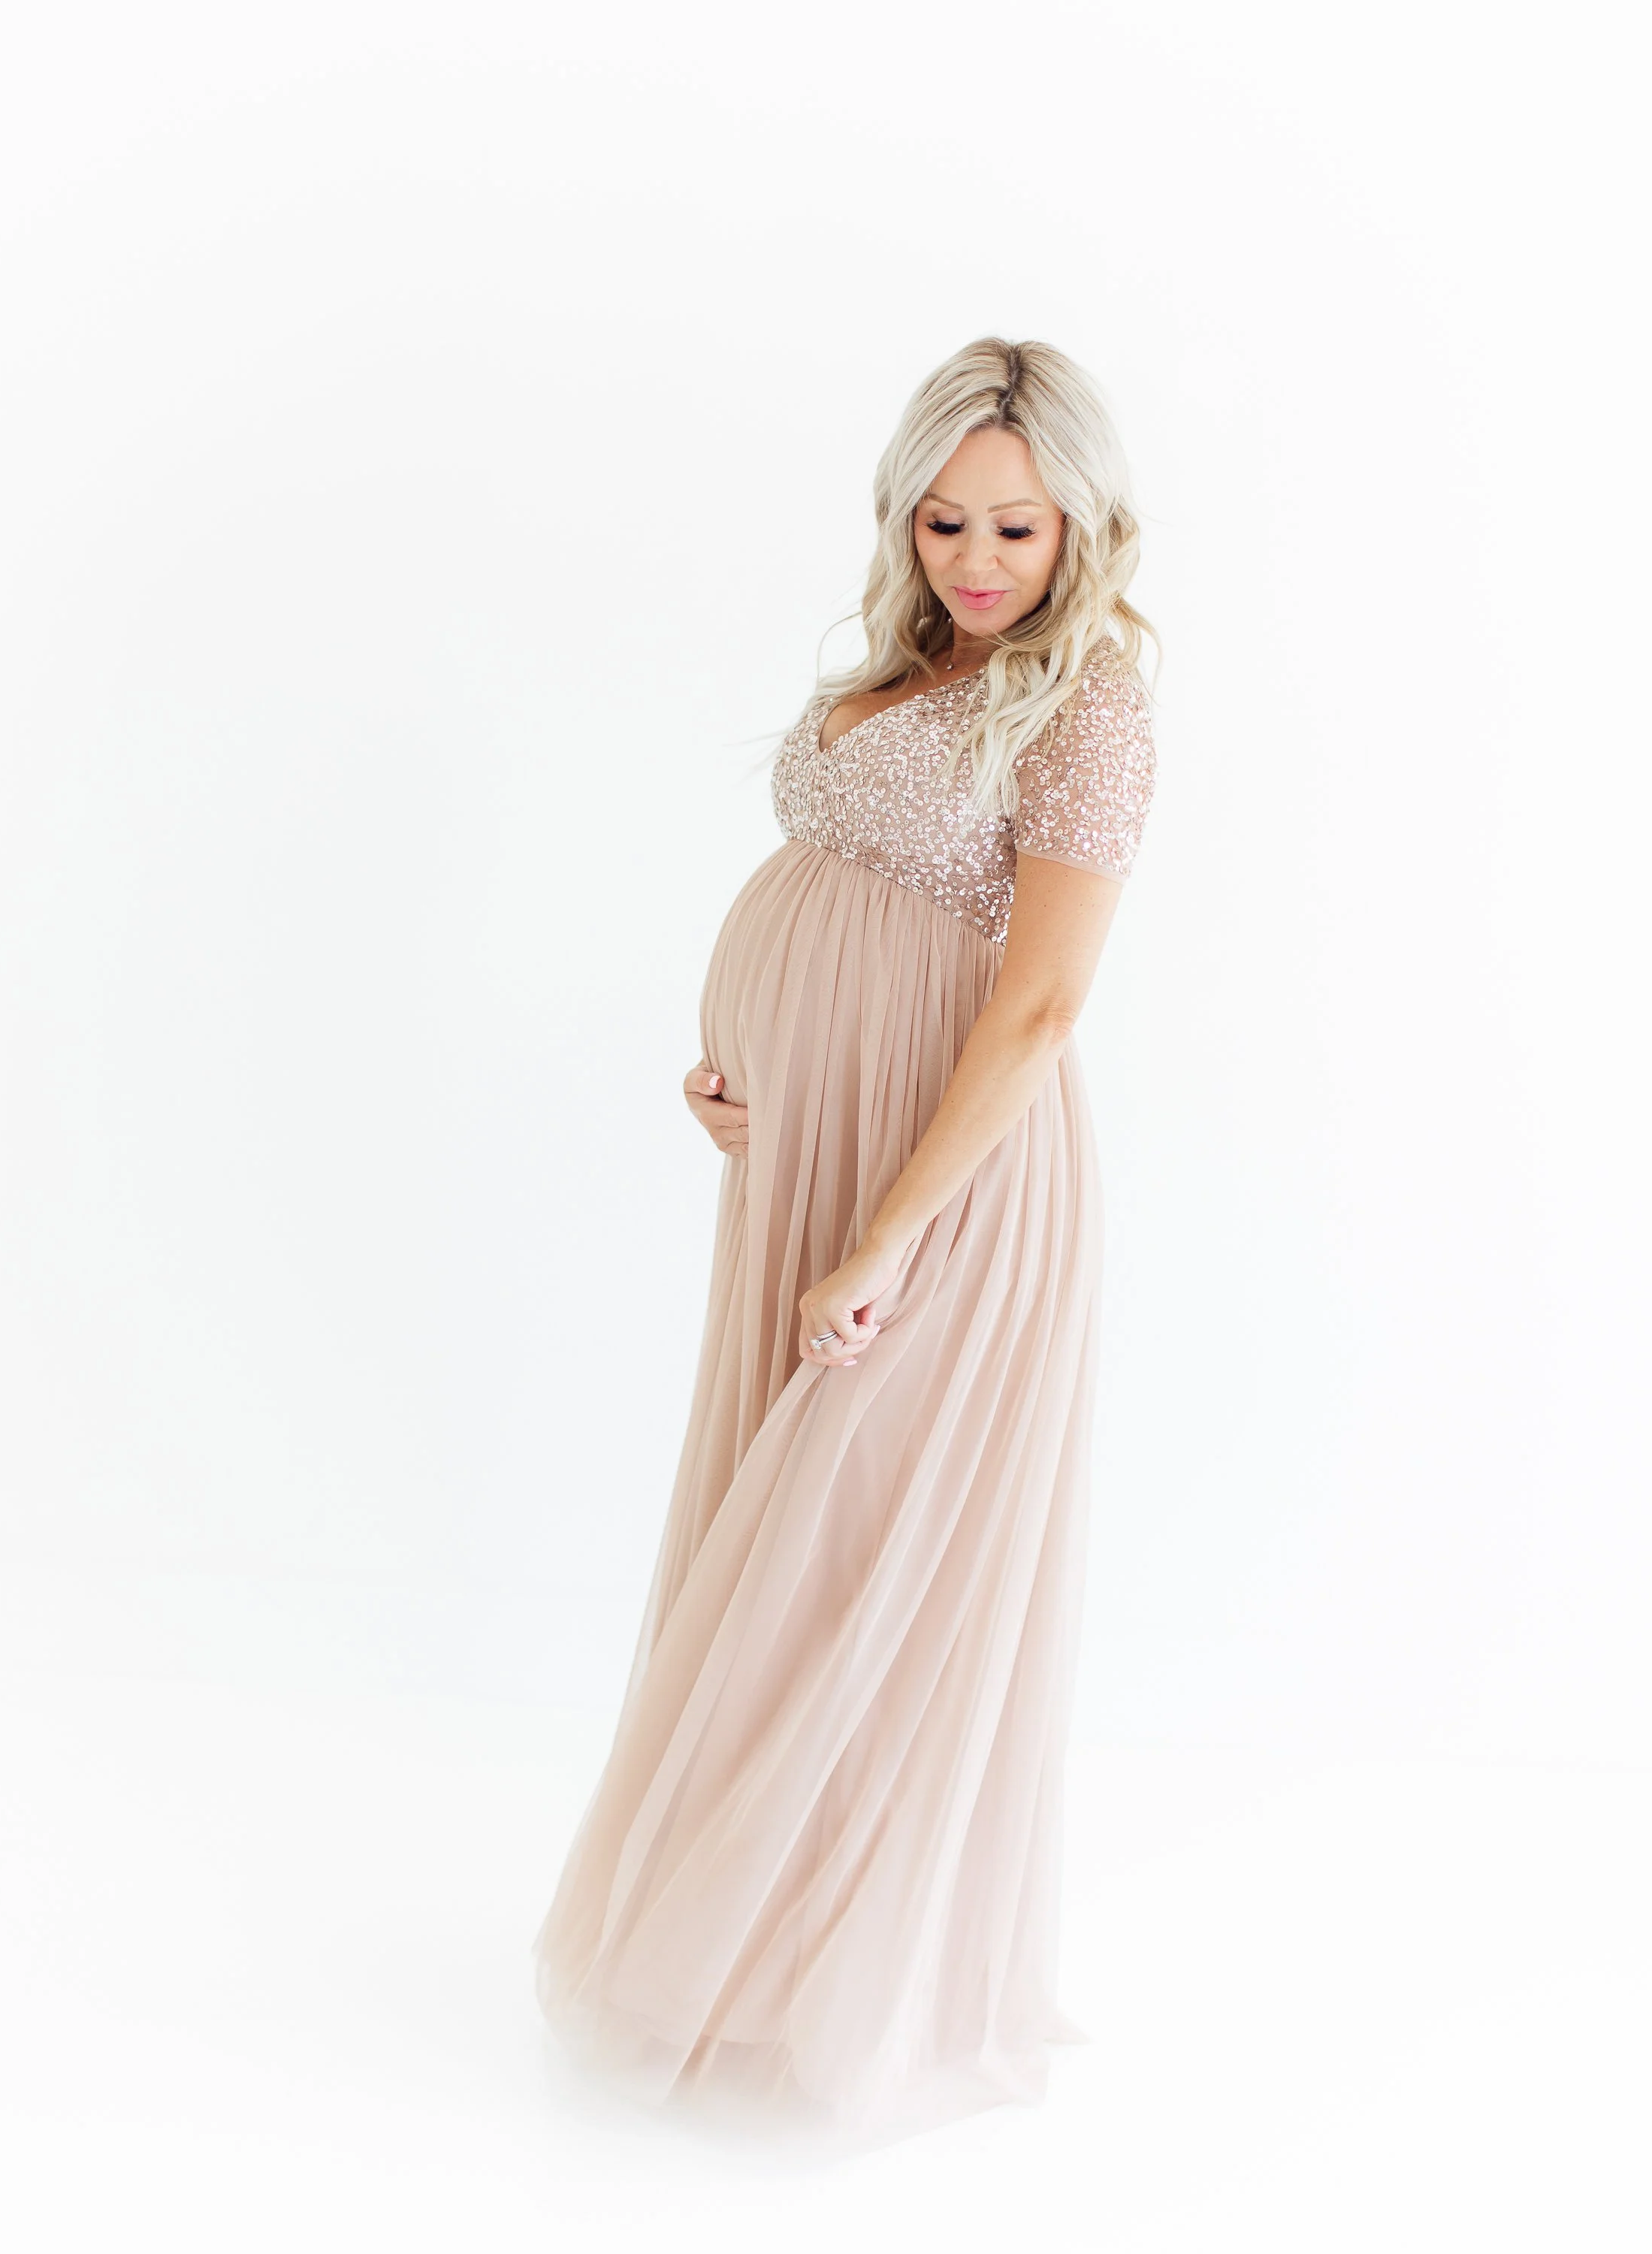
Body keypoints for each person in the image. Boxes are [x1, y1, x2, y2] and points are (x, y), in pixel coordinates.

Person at [533, 336, 1158, 2140]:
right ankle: (749, 1962)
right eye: (946, 519)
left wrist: (887, 1235)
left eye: (1017, 527)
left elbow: (1040, 1008)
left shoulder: (1086, 695)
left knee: (858, 1575)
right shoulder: (906, 670)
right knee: (782, 1552)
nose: (978, 558)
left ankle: (842, 1993)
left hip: (942, 1198)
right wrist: (755, 1077)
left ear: (1083, 524)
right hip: (811, 1169)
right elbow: (838, 912)